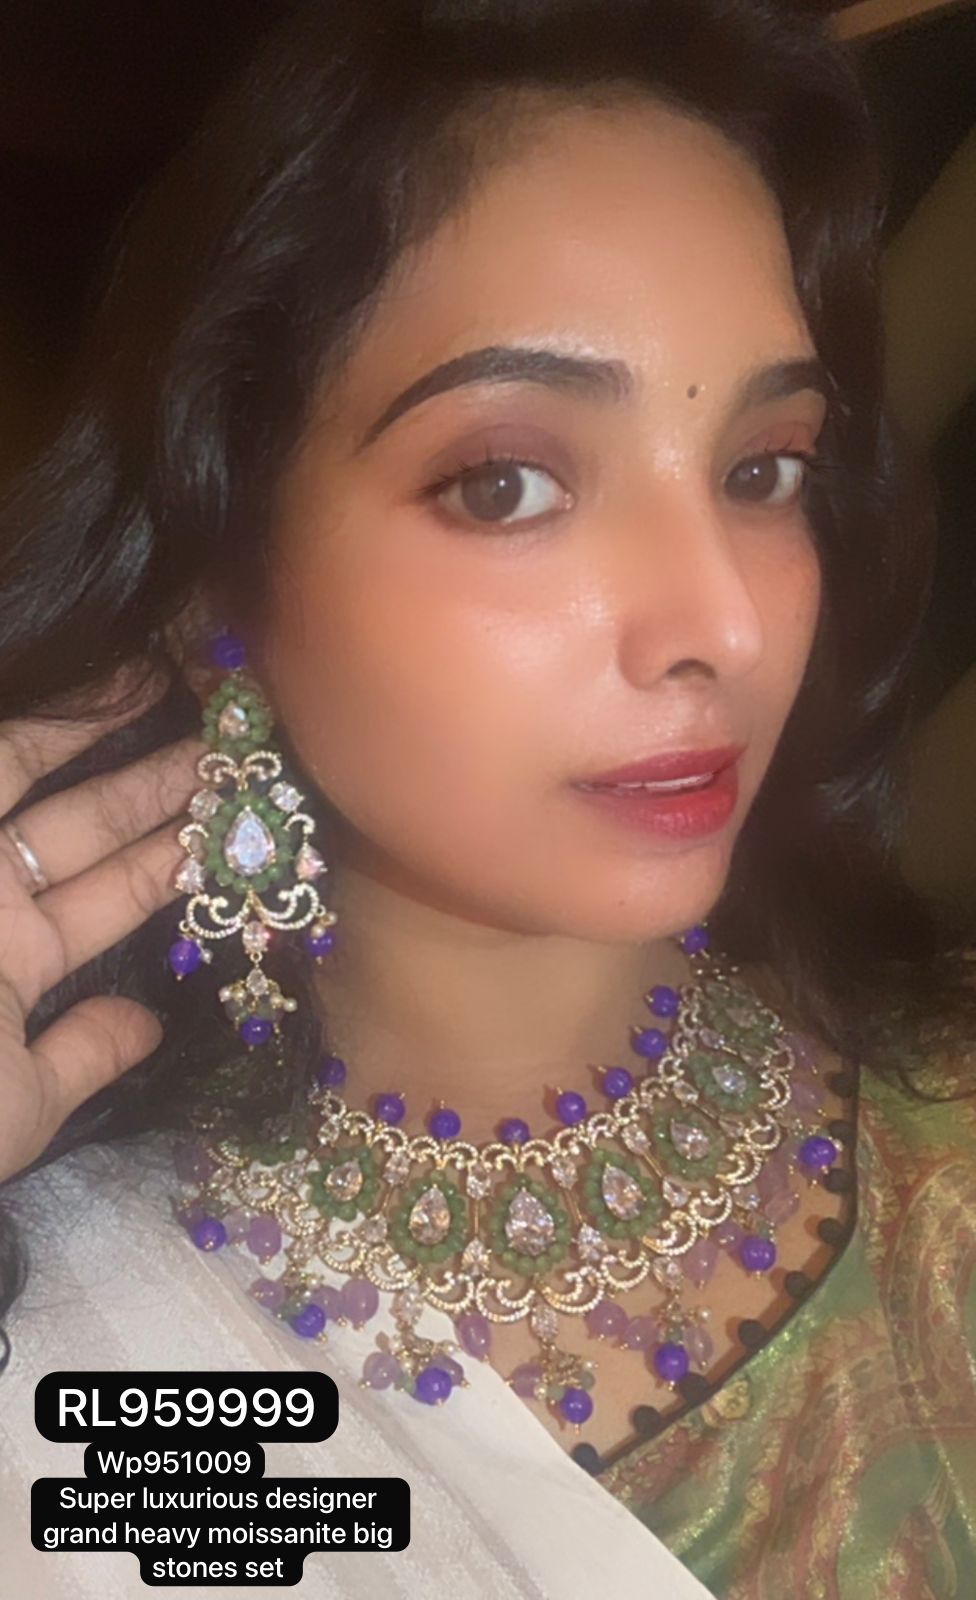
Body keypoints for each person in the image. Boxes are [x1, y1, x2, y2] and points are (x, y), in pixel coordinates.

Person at [0, 2, 974, 1596]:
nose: (724, 624)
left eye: (765, 470)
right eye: (508, 483)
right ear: (215, 569)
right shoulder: (91, 1314)